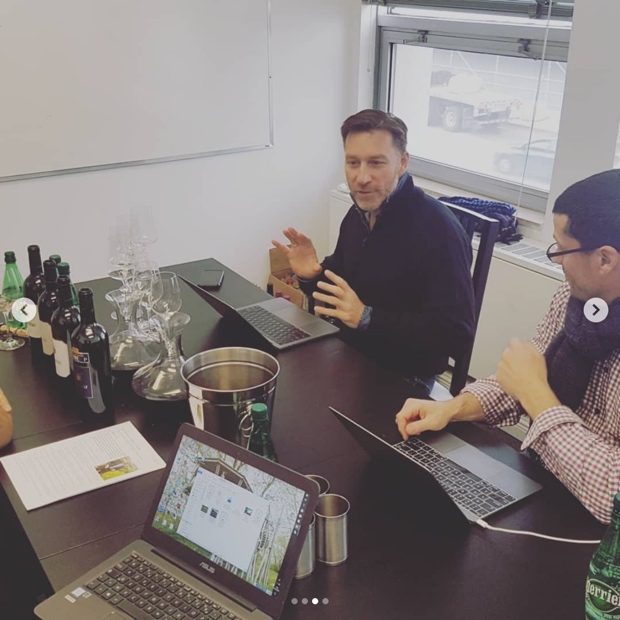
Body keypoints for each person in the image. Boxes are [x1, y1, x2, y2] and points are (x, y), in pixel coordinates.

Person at [396, 169, 620, 523]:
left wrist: (537, 396)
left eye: (563, 249)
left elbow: (614, 496)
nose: (557, 261)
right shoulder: (574, 297)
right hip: (547, 484)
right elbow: (522, 379)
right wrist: (453, 407)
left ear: (605, 259)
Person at [272, 109, 475, 394]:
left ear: (402, 163)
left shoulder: (439, 231)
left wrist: (368, 317)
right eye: (353, 163)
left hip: (402, 376)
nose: (361, 177)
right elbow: (342, 291)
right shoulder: (358, 214)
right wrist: (311, 275)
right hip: (349, 353)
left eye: (376, 163)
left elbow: (457, 334)